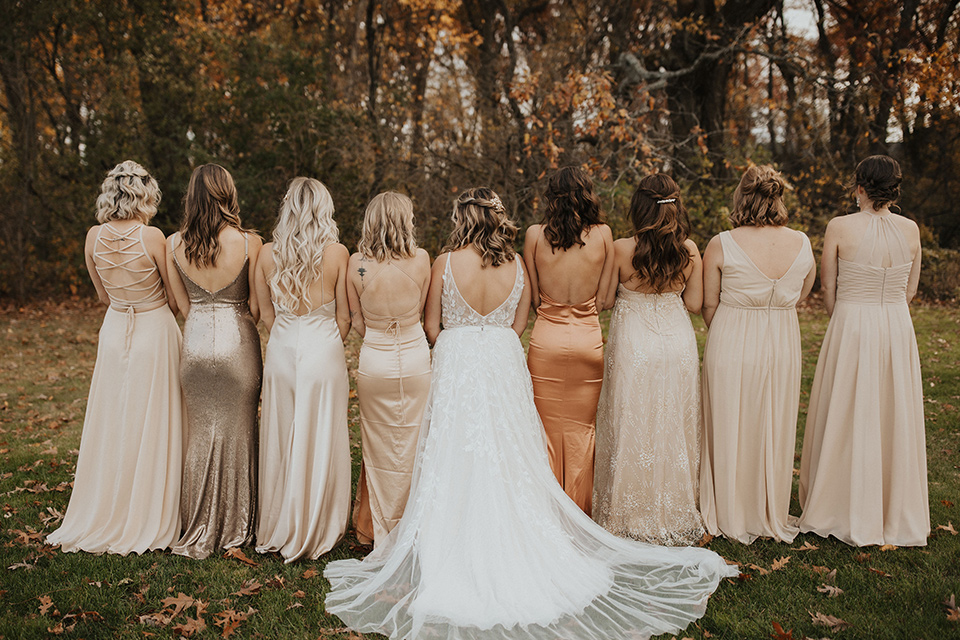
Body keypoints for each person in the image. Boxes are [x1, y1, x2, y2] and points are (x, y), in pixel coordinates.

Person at [324, 187, 737, 640]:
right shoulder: (516, 265)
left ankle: (451, 538)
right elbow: (522, 321)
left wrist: (462, 342)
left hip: (459, 359)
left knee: (455, 449)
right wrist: (495, 340)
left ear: (462, 218)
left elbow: (431, 326)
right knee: (510, 450)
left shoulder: (443, 263)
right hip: (502, 358)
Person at [47, 160, 183, 555]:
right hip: (153, 329)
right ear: (145, 194)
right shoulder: (155, 237)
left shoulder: (92, 237)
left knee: (115, 419)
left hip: (113, 331)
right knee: (155, 418)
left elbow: (102, 296)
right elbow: (174, 298)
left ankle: (106, 502)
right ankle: (148, 505)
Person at [798, 155, 928, 546]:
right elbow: (911, 290)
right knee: (892, 409)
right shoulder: (911, 229)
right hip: (895, 324)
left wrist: (848, 319)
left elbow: (828, 289)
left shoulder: (839, 226)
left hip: (852, 321)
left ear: (859, 187)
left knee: (848, 407)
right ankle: (891, 506)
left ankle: (840, 499)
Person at [699, 165, 816, 544]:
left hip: (732, 335)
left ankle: (731, 509)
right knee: (772, 420)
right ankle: (768, 508)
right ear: (778, 196)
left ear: (741, 196)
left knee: (731, 420)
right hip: (782, 340)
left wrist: (729, 328)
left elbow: (708, 304)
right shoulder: (802, 242)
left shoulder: (722, 242)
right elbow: (802, 293)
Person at [593, 174, 706, 546]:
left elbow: (605, 301)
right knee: (671, 422)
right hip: (677, 342)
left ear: (639, 205)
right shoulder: (689, 249)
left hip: (634, 343)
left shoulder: (623, 248)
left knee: (631, 421)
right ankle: (670, 508)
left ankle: (629, 513)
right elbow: (693, 303)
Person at [166, 164, 263, 559]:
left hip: (195, 345)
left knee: (201, 435)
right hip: (237, 341)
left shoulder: (173, 244)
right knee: (240, 434)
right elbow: (257, 307)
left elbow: (181, 306)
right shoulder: (250, 243)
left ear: (191, 197)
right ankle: (238, 526)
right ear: (228, 194)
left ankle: (196, 523)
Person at [253, 177, 351, 562]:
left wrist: (286, 335)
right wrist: (326, 341)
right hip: (324, 347)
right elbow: (344, 316)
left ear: (287, 208)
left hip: (281, 347)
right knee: (322, 432)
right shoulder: (338, 253)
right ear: (324, 209)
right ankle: (318, 521)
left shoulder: (265, 253)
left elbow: (264, 312)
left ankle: (279, 520)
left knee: (281, 433)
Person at [523, 167, 614, 515]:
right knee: (582, 431)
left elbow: (532, 297)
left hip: (546, 339)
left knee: (543, 429)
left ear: (552, 196)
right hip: (588, 340)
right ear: (588, 194)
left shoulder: (534, 235)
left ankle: (547, 510)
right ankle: (579, 512)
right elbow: (604, 299)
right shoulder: (604, 235)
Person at [347, 192, 432, 547]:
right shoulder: (423, 259)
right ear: (405, 220)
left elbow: (356, 321)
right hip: (414, 358)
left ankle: (374, 527)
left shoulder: (355, 263)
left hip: (374, 361)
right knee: (414, 442)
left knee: (377, 445)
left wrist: (381, 339)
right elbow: (427, 318)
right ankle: (412, 524)